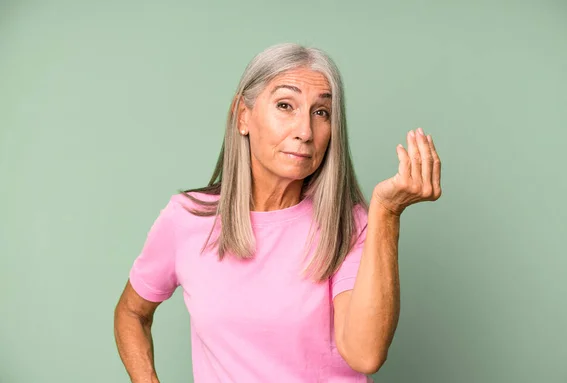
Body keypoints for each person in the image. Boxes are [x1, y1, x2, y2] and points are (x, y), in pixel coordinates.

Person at [113, 42, 442, 383]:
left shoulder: (351, 225)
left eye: (321, 113)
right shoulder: (187, 219)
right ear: (243, 115)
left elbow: (365, 354)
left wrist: (386, 214)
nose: (304, 132)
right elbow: (131, 313)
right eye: (286, 105)